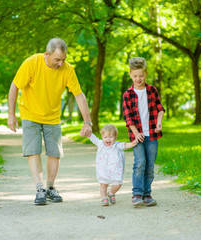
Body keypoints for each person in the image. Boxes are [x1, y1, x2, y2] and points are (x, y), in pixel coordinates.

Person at [7, 38, 92, 205]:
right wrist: (11, 114)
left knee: (55, 153)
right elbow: (14, 86)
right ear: (47, 54)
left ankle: (51, 188)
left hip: (52, 116)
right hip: (30, 113)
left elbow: (79, 95)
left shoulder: (67, 69)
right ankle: (40, 189)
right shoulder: (32, 63)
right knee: (33, 150)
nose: (60, 63)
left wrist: (87, 121)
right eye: (57, 60)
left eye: (64, 59)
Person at [122, 57, 165, 207]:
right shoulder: (128, 94)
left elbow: (160, 109)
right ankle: (137, 194)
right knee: (140, 163)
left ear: (146, 74)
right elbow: (128, 117)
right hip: (137, 136)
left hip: (152, 134)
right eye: (135, 76)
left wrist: (159, 122)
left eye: (141, 75)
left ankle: (147, 194)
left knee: (150, 166)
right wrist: (135, 132)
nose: (138, 79)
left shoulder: (152, 90)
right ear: (130, 75)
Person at [88, 124, 137, 206]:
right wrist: (88, 134)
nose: (108, 139)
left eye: (111, 137)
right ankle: (104, 198)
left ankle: (111, 193)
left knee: (118, 184)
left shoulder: (117, 146)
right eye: (105, 137)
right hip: (104, 170)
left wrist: (133, 144)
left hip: (116, 170)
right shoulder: (100, 144)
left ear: (115, 137)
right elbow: (93, 138)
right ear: (102, 137)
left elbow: (125, 145)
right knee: (103, 185)